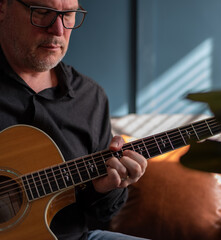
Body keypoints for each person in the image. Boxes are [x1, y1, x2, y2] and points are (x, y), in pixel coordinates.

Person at [0, 0, 148, 239]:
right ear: (3, 8)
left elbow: (98, 216)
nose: (58, 30)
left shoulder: (90, 97)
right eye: (42, 12)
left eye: (68, 15)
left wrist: (106, 188)